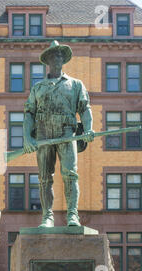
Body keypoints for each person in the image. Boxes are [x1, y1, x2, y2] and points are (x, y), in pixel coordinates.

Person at [23, 41, 95, 227]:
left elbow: (85, 109)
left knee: (70, 174)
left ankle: (72, 215)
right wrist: (27, 138)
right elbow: (29, 113)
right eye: (54, 55)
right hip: (43, 134)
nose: (58, 58)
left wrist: (87, 129)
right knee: (45, 178)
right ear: (47, 60)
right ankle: (47, 216)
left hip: (66, 132)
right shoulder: (38, 87)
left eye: (60, 55)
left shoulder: (76, 84)